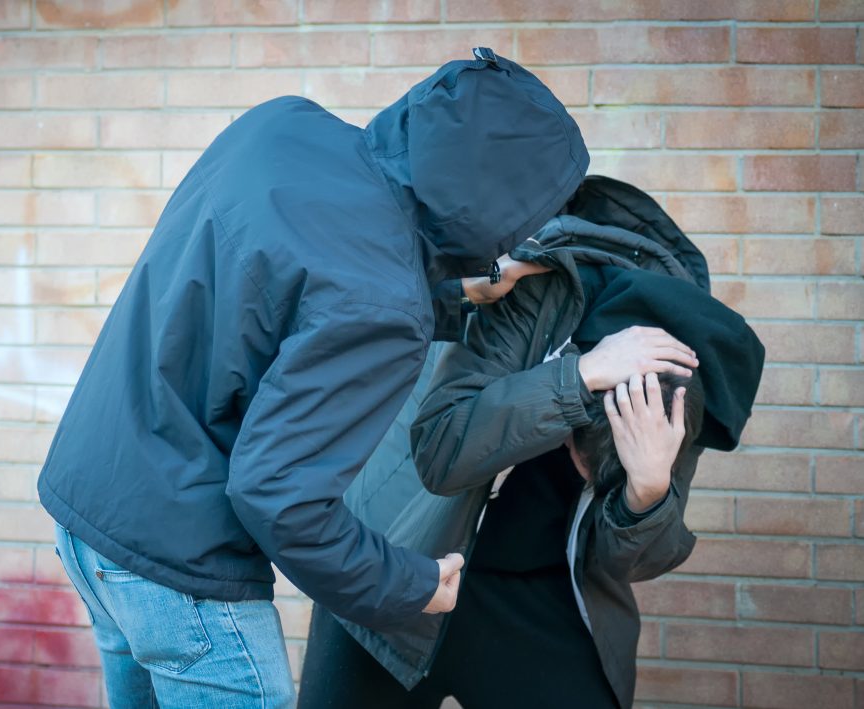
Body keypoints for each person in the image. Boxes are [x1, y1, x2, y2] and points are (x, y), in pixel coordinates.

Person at [39, 49, 591, 708]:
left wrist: (454, 288)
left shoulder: (281, 125)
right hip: (181, 572)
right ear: (509, 199)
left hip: (90, 519)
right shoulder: (386, 302)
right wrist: (411, 584)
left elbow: (297, 288)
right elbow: (278, 496)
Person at [298, 176, 765, 709]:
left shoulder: (682, 377)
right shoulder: (532, 288)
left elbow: (630, 562)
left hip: (545, 594)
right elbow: (441, 452)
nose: (575, 469)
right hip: (407, 550)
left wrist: (648, 493)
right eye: (576, 454)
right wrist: (577, 379)